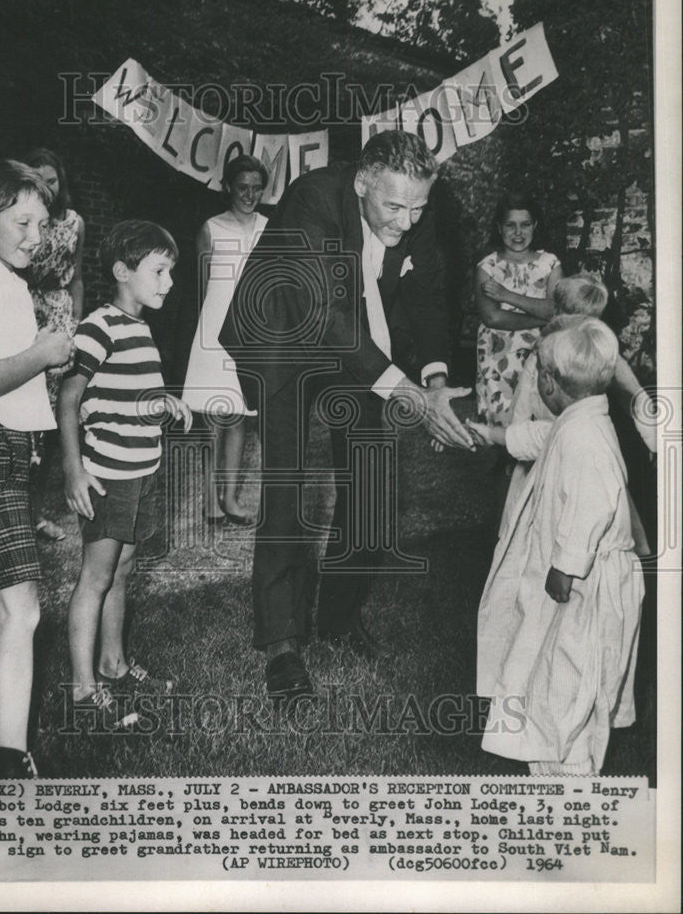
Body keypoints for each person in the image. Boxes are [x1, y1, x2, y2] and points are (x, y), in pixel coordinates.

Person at [220, 130, 475, 703]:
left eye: (418, 207)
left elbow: (429, 295)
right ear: (362, 183)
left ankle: (338, 616)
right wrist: (404, 390)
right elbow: (320, 312)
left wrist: (434, 381)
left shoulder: (414, 208)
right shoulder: (311, 199)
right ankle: (283, 644)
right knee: (287, 489)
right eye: (393, 205)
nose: (407, 221)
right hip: (286, 332)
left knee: (373, 482)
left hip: (358, 343)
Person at [472, 317, 644, 775]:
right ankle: (550, 773)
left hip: (585, 590)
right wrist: (489, 434)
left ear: (549, 382)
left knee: (573, 688)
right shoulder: (579, 420)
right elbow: (539, 439)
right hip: (573, 589)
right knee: (548, 680)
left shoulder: (584, 438)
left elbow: (594, 504)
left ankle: (572, 786)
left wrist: (564, 566)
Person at [58, 220, 191, 723]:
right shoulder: (100, 326)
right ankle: (82, 688)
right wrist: (74, 470)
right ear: (122, 272)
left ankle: (113, 662)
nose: (168, 282)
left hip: (142, 472)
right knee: (96, 575)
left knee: (124, 569)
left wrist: (163, 402)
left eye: (170, 272)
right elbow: (70, 396)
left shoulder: (140, 329)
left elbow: (123, 398)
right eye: (159, 271)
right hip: (109, 475)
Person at [0, 160, 72, 777]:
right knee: (22, 608)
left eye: (42, 222)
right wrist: (43, 353)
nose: (36, 235)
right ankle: (10, 760)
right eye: (22, 221)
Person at [501, 275, 656, 550]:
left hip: (572, 451)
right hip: (544, 451)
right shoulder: (545, 352)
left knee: (582, 528)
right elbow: (636, 398)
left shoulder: (600, 353)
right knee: (540, 533)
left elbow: (634, 396)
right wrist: (513, 443)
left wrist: (658, 440)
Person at [182, 154, 269, 525]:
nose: (249, 195)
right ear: (228, 187)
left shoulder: (270, 228)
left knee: (239, 417)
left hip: (252, 332)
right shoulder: (210, 228)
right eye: (242, 187)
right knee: (212, 418)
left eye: (256, 188)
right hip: (215, 328)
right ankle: (210, 502)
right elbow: (202, 290)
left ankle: (231, 498)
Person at [22, 147, 86, 542]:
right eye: (38, 179)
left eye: (52, 179)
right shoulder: (26, 221)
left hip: (59, 313)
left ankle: (37, 513)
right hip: (25, 313)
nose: (46, 187)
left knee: (48, 425)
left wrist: (75, 322)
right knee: (23, 420)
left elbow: (77, 276)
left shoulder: (73, 222)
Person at [475, 190, 562, 427]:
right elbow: (492, 317)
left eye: (525, 225)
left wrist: (506, 295)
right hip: (498, 356)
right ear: (499, 227)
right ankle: (504, 464)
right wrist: (541, 316)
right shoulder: (488, 267)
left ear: (535, 225)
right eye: (510, 225)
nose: (518, 233)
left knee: (540, 424)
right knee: (502, 423)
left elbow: (556, 309)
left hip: (540, 352)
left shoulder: (550, 264)